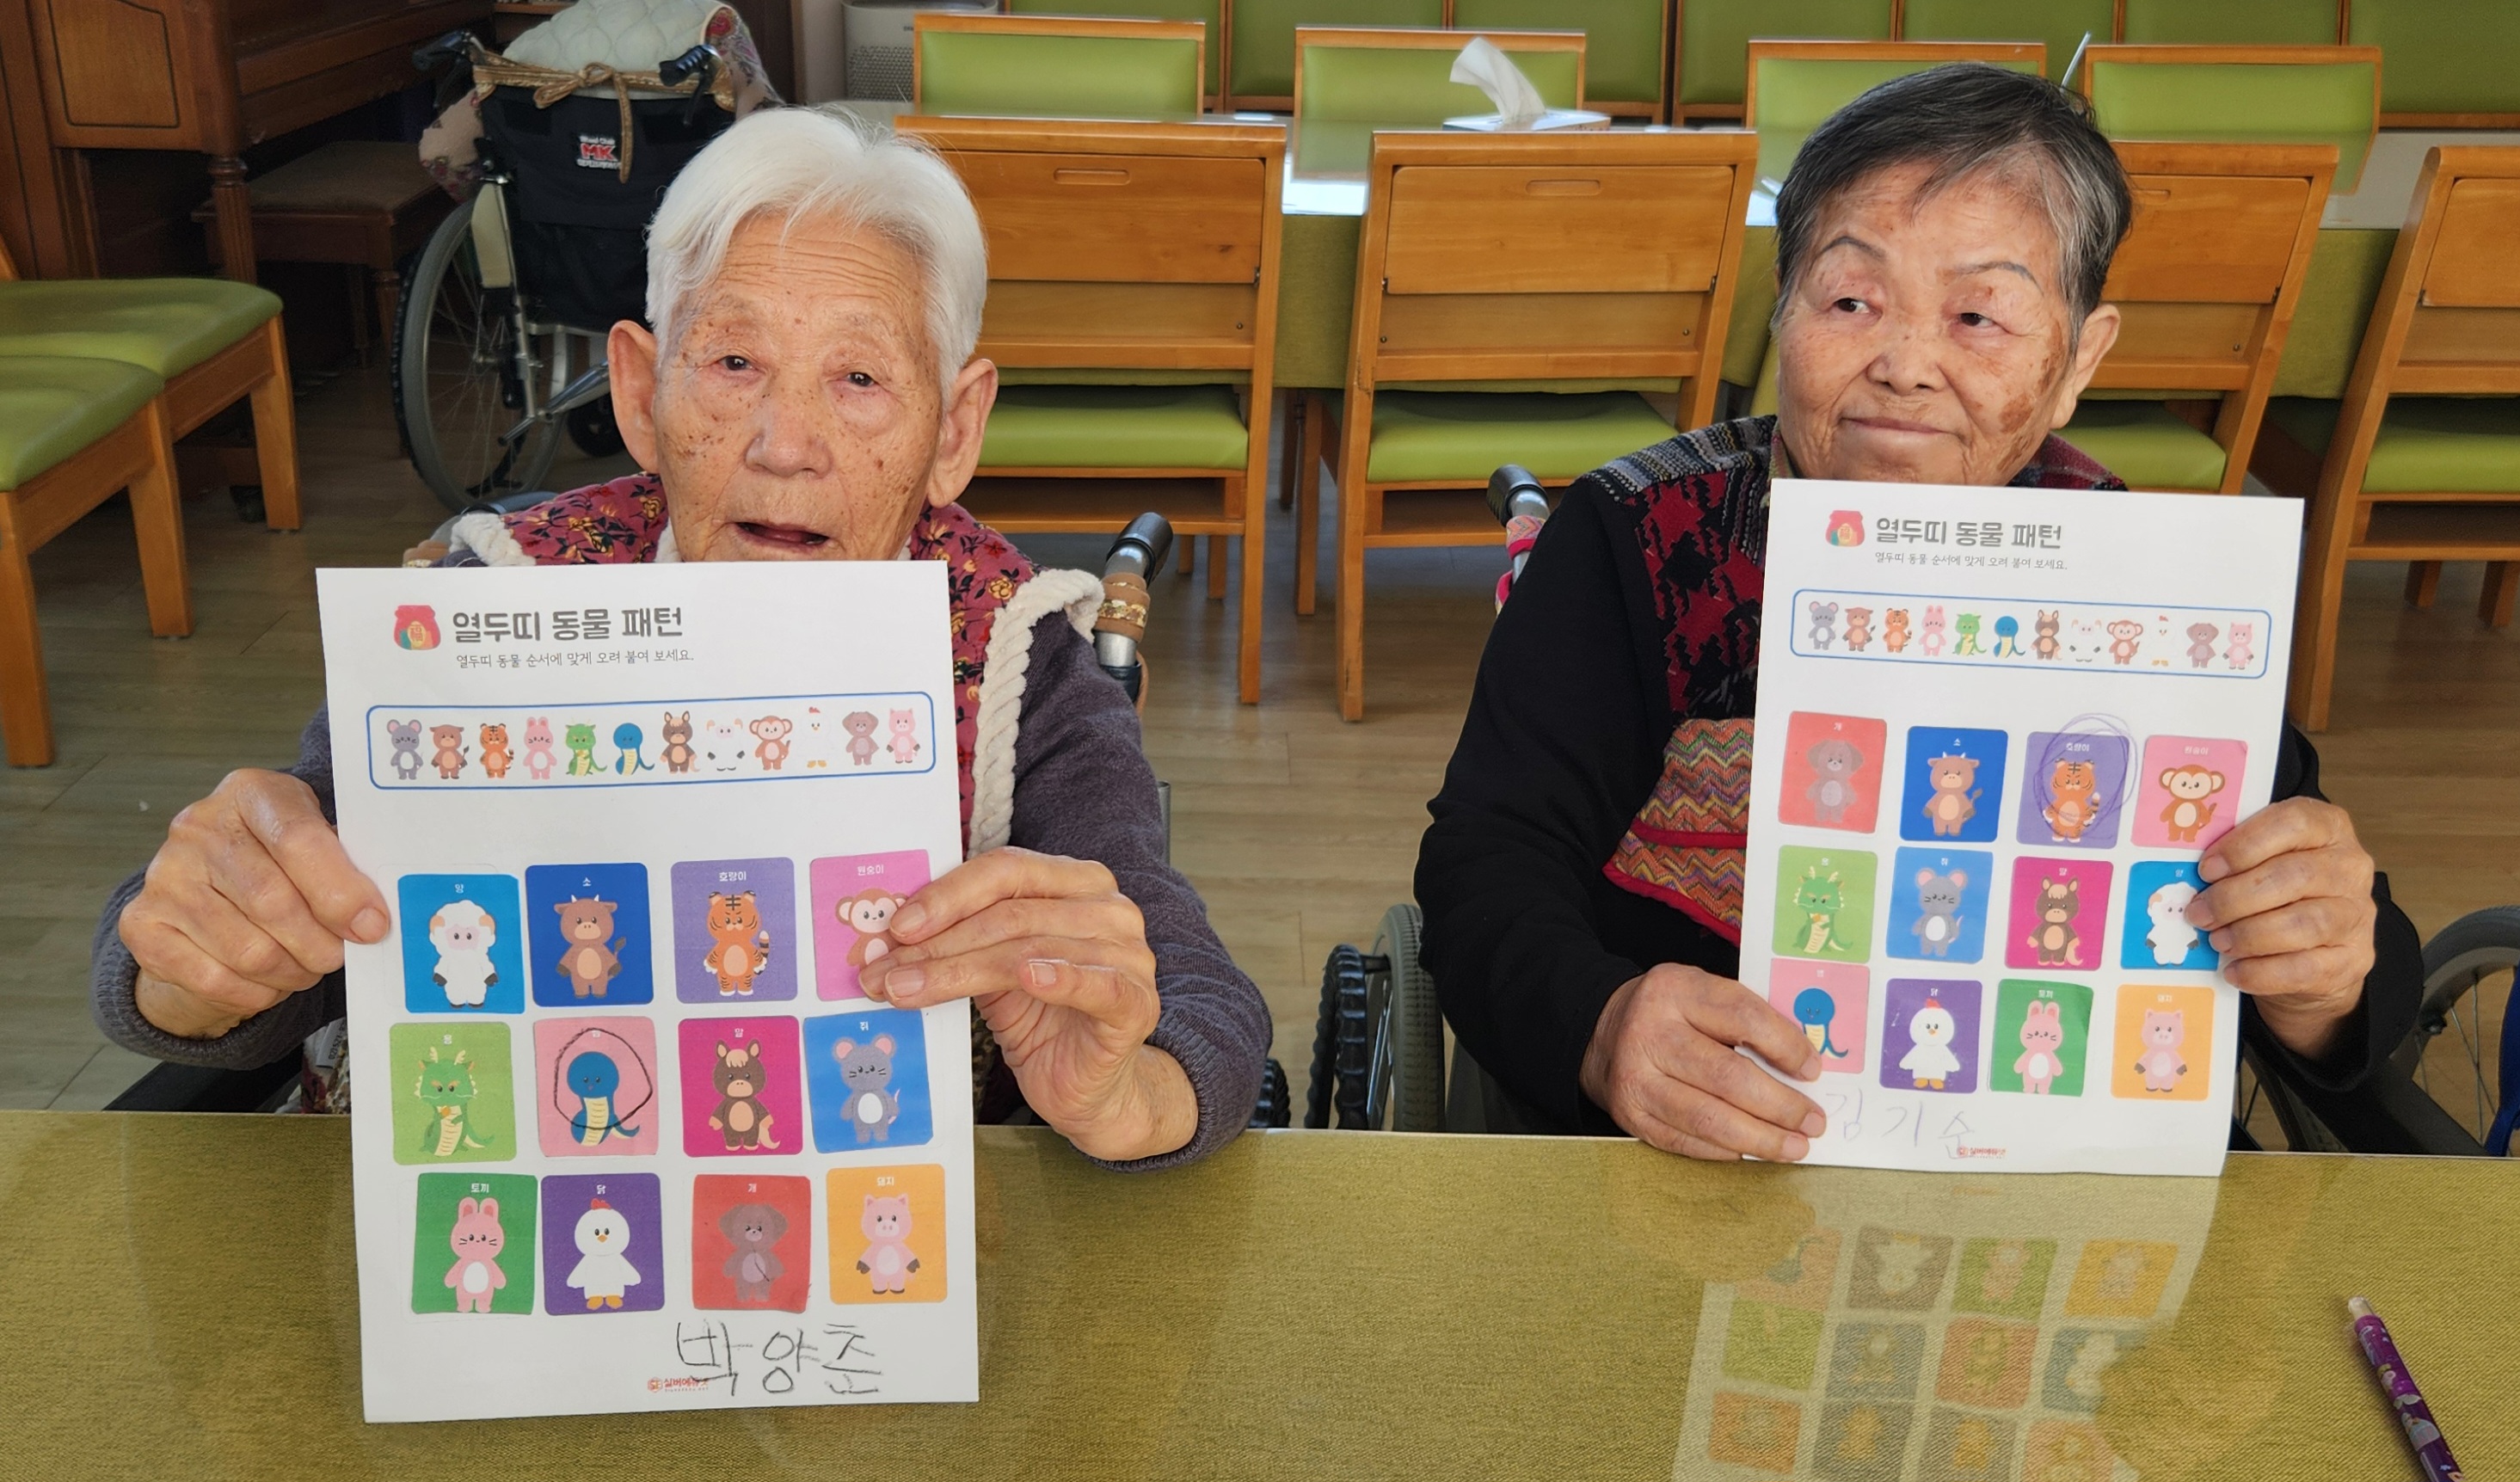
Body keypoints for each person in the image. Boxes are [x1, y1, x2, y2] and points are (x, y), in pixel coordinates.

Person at [92, 106, 1269, 1170]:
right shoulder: (492, 604)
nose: (784, 443)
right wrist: (199, 961)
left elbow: (1200, 1006)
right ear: (640, 391)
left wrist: (1128, 1094)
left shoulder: (1017, 654)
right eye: (734, 362)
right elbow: (242, 958)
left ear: (953, 431)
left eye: (859, 376)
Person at [1415, 66, 2421, 1160]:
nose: (1903, 368)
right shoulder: (1640, 536)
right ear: (1781, 308)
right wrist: (1602, 1025)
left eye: (1977, 316)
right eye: (1851, 302)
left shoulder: (2138, 581)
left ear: (2077, 359)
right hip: (1692, 1154)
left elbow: (2328, 931)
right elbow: (1490, 862)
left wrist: (2318, 981)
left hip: (2069, 1178)